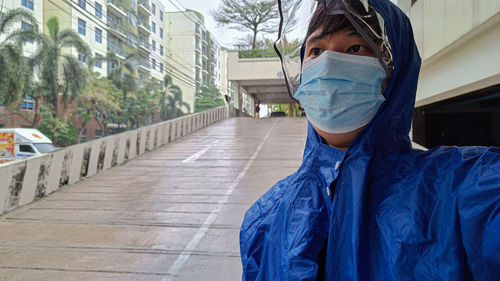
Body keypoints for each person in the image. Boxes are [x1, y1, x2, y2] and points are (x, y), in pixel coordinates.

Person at [239, 0, 500, 280]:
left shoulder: (463, 190)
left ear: (395, 71)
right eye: (316, 51)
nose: (328, 66)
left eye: (355, 48)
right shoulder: (264, 218)